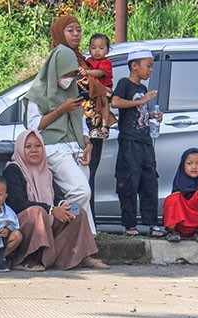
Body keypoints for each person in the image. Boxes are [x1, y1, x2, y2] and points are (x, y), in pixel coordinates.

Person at [23, 17, 96, 235]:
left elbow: (80, 119)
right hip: (54, 147)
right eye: (65, 73)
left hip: (76, 147)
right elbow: (33, 126)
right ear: (55, 69)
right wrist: (59, 110)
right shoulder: (40, 91)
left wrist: (87, 143)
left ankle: (86, 240)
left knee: (85, 193)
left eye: (73, 73)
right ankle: (70, 234)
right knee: (81, 192)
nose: (69, 78)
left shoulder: (71, 87)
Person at [3, 130, 109, 271]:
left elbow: (56, 197)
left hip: (45, 218)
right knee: (37, 212)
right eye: (28, 147)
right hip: (21, 224)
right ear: (20, 149)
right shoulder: (13, 170)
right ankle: (26, 259)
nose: (34, 150)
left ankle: (77, 257)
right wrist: (52, 210)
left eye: (38, 146)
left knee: (77, 210)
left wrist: (62, 205)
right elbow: (18, 203)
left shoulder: (46, 170)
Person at [110, 48, 164, 238]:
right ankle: (129, 224)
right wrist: (142, 100)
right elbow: (115, 103)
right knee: (129, 182)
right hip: (129, 141)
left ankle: (151, 223)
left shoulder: (142, 88)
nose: (150, 70)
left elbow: (138, 113)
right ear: (134, 66)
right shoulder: (125, 84)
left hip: (145, 140)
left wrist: (151, 115)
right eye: (148, 66)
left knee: (150, 181)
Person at [82, 33, 115, 220]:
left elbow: (100, 74)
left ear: (107, 50)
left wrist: (84, 72)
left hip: (100, 101)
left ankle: (104, 124)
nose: (97, 51)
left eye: (101, 48)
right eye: (93, 47)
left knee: (104, 100)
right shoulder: (86, 61)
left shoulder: (105, 64)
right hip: (86, 120)